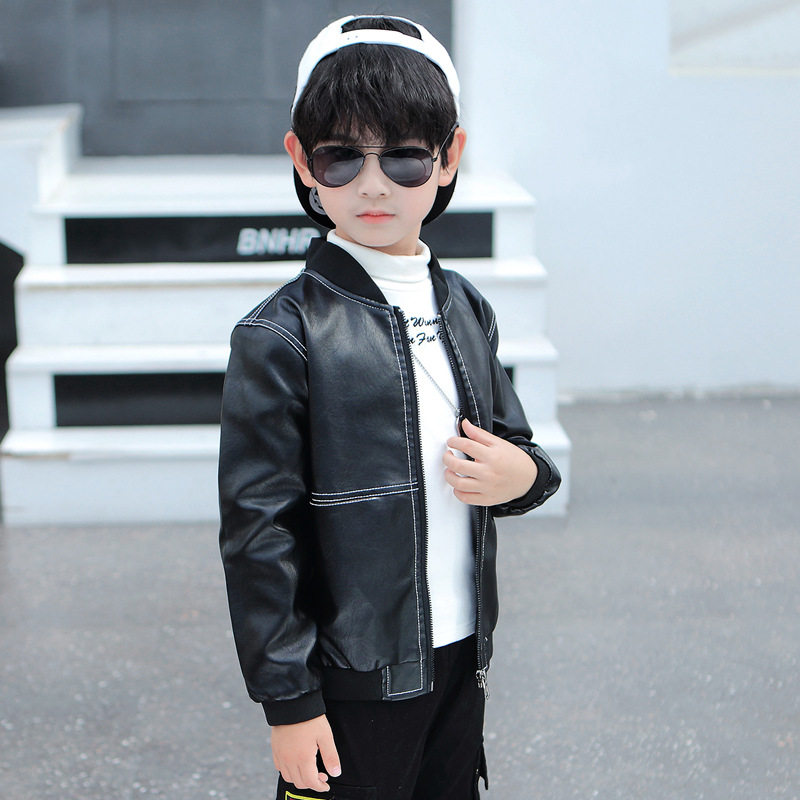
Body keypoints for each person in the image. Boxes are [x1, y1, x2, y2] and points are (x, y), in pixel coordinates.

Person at [218, 14, 561, 800]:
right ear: (302, 161)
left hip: (462, 659)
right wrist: (289, 703)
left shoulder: (464, 305)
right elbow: (258, 534)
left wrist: (524, 477)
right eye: (342, 157)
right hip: (352, 674)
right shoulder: (283, 334)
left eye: (404, 156)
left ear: (449, 158)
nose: (373, 185)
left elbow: (516, 448)